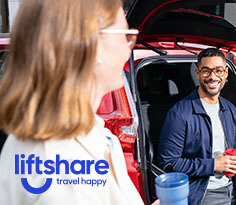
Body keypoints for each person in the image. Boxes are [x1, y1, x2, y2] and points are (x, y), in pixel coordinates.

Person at [0, 0, 144, 204]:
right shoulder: (66, 164)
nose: (129, 47)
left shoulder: (86, 134)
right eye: (124, 35)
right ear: (92, 46)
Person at [158, 48, 236, 205]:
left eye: (218, 71)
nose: (213, 77)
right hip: (204, 191)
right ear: (198, 73)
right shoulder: (180, 113)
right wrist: (213, 165)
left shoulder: (230, 109)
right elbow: (169, 163)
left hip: (232, 188)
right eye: (206, 71)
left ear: (225, 74)